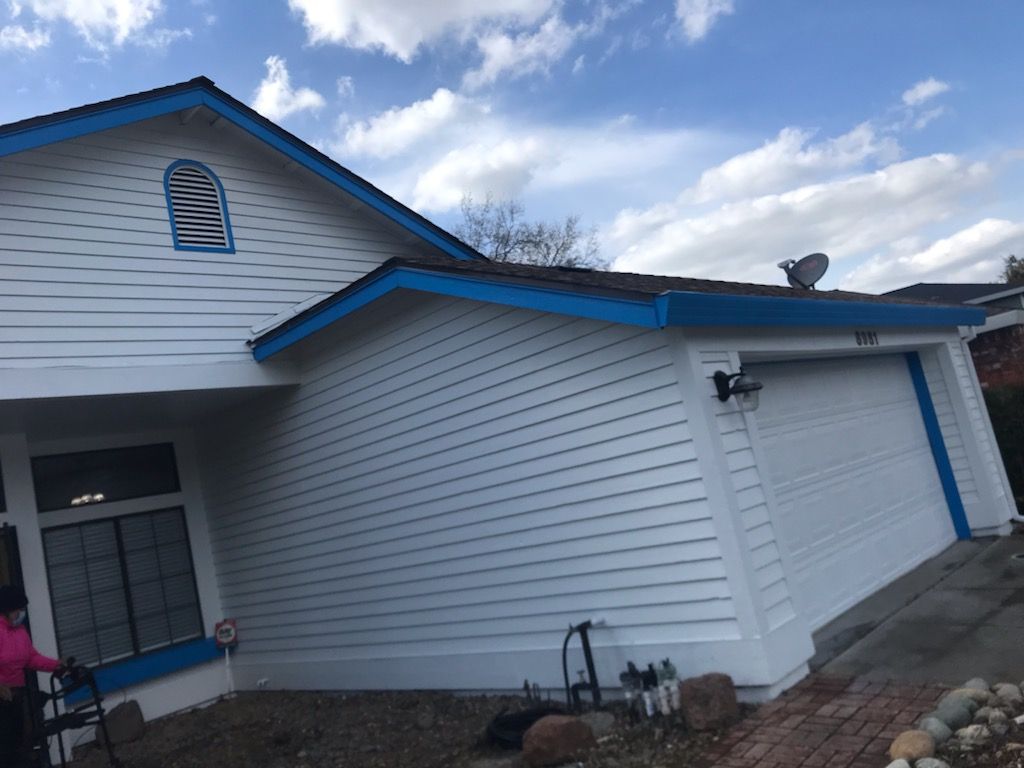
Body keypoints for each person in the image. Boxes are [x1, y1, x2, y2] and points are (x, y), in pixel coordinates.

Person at [0, 584, 64, 767]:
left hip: (16, 697)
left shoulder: (20, 632)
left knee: (21, 743)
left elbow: (31, 658)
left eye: (22, 609)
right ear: (6, 609)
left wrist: (56, 665)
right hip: (2, 697)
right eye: (18, 610)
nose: (21, 613)